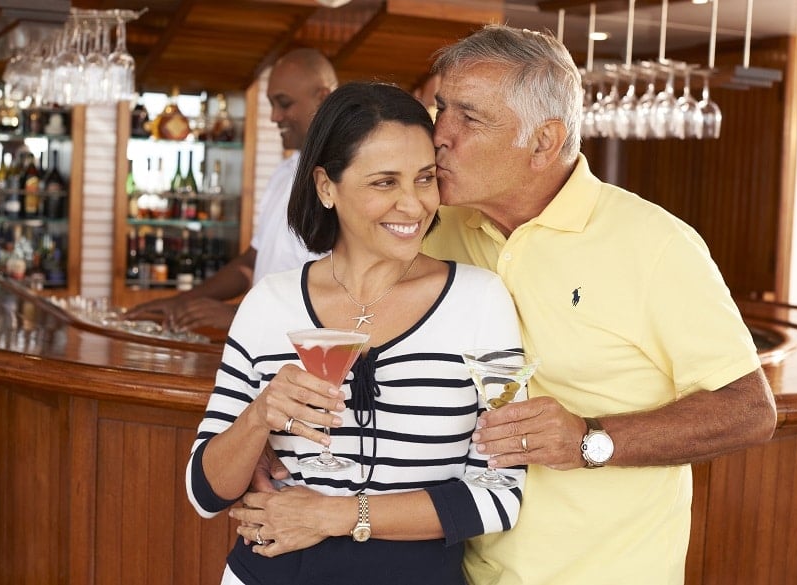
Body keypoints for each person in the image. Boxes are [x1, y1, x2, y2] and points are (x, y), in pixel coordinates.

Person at [420, 24, 778, 585]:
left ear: (542, 141)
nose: (439, 133)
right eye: (441, 108)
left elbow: (750, 411)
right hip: (462, 567)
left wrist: (588, 439)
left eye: (469, 117)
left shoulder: (657, 245)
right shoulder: (437, 231)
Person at [185, 82, 526, 585]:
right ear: (326, 186)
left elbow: (500, 495)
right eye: (384, 183)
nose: (412, 205)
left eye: (424, 179)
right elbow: (205, 492)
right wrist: (260, 416)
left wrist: (336, 515)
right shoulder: (268, 304)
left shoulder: (482, 301)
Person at [125, 48, 338, 332]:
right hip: (263, 345)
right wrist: (181, 301)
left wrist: (238, 315)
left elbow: (340, 290)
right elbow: (251, 262)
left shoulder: (341, 181)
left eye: (284, 103)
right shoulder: (285, 172)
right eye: (272, 104)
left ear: (322, 99)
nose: (274, 116)